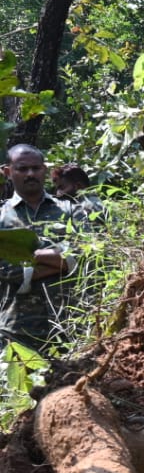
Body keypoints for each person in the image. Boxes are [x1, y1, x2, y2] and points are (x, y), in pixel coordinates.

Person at [0, 144, 80, 354]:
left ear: (44, 170)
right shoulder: (1, 218)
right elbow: (6, 270)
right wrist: (62, 262)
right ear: (8, 172)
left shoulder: (70, 210)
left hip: (70, 328)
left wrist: (30, 256)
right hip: (16, 332)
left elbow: (84, 256)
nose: (30, 174)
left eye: (36, 168)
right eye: (22, 169)